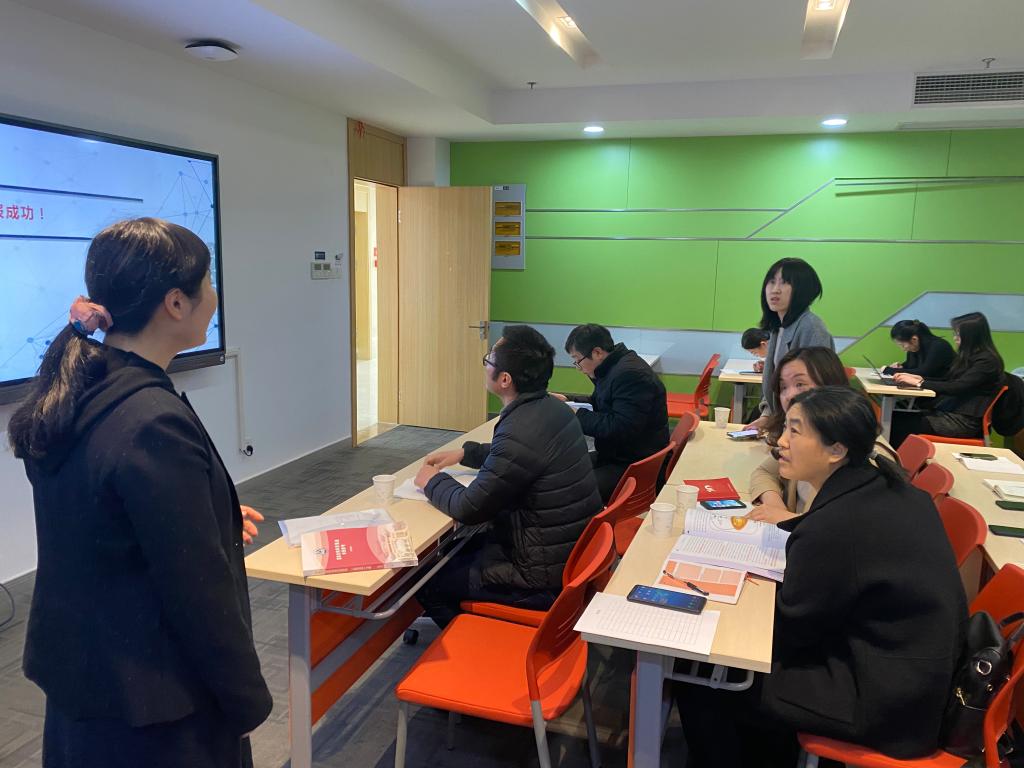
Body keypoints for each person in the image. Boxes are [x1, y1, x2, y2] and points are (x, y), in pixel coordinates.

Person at [8, 218, 272, 768]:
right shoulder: (152, 420)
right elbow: (199, 595)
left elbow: (102, 519)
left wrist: (208, 514)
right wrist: (247, 700)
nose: (214, 297)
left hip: (88, 686)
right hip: (154, 708)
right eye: (208, 282)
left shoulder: (80, 391)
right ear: (176, 303)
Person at [678, 386, 967, 768]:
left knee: (699, 674)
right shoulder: (889, 488)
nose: (781, 441)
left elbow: (790, 636)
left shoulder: (835, 526)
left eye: (795, 431)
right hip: (917, 677)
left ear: (836, 450)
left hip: (882, 701)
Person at [413, 324, 602, 628]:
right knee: (451, 551)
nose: (485, 364)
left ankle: (480, 642)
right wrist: (466, 453)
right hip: (564, 555)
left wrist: (431, 481)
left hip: (538, 577)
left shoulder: (520, 428)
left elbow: (468, 508)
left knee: (426, 579)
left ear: (504, 379)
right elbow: (520, 456)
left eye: (489, 359)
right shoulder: (552, 409)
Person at [551, 324, 669, 502]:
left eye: (577, 360)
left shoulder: (629, 374)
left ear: (597, 352)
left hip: (634, 463)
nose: (578, 368)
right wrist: (568, 400)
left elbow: (620, 427)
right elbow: (601, 403)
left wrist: (575, 414)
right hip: (616, 454)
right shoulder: (613, 368)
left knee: (568, 492)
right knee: (557, 473)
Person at [747, 346, 850, 523]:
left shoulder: (858, 450)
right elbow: (765, 472)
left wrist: (791, 521)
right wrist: (775, 507)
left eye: (800, 384)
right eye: (783, 387)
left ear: (831, 386)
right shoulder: (798, 435)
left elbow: (847, 527)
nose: (789, 396)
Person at [890, 312, 1004, 447]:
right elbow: (949, 381)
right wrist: (920, 378)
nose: (955, 338)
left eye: (958, 334)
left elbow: (957, 387)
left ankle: (899, 459)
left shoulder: (986, 361)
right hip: (947, 413)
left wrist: (920, 383)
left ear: (971, 336)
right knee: (892, 416)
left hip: (962, 421)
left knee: (896, 423)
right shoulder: (969, 357)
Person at [747, 258, 834, 431]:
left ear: (803, 289)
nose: (775, 289)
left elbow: (818, 394)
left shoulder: (812, 328)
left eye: (785, 282)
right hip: (784, 424)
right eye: (772, 282)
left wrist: (792, 432)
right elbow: (777, 383)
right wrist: (766, 416)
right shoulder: (778, 327)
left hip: (804, 429)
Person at [882, 319, 955, 379]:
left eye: (902, 345)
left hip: (946, 388)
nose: (903, 349)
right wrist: (901, 366)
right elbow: (911, 366)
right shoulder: (915, 347)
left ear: (914, 339)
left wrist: (889, 370)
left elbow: (923, 373)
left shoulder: (938, 346)